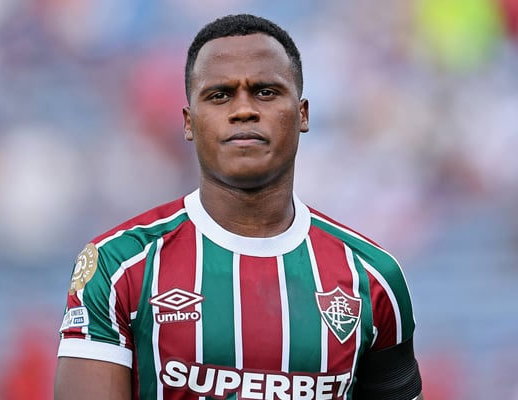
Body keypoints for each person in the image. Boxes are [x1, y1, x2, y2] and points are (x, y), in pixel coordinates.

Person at [54, 13, 424, 400]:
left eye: (266, 92)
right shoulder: (119, 266)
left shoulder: (372, 277)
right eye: (219, 95)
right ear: (189, 122)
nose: (243, 109)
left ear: (302, 114)